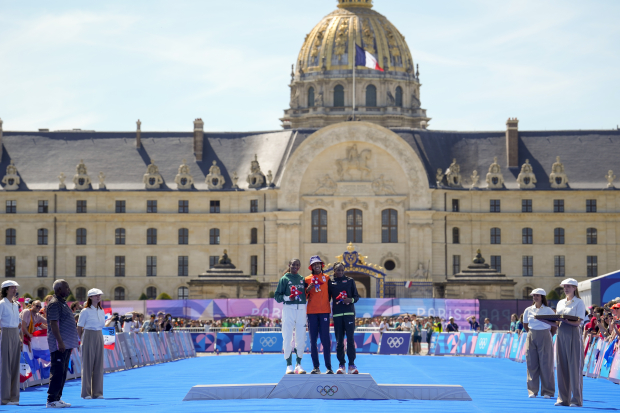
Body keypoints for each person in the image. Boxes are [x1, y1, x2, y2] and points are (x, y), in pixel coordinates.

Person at [47, 279, 80, 408]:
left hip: (66, 344)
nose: (69, 290)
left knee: (62, 372)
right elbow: (53, 324)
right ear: (59, 289)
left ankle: (57, 398)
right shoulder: (54, 303)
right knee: (57, 372)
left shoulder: (63, 303)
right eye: (66, 288)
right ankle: (51, 400)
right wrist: (60, 342)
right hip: (59, 345)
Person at [554, 278, 586, 407]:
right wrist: (546, 321)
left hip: (573, 333)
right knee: (561, 366)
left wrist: (565, 321)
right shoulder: (560, 303)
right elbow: (557, 320)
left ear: (575, 288)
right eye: (564, 286)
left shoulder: (579, 303)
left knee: (574, 367)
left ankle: (576, 399)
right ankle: (563, 399)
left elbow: (578, 322)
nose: (566, 288)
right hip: (560, 333)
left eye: (569, 286)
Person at [77, 288, 112, 400]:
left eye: (99, 295)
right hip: (88, 334)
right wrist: (82, 339)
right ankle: (86, 393)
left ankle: (97, 393)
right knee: (87, 364)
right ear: (90, 297)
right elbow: (79, 326)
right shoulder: (85, 311)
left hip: (99, 334)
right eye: (96, 295)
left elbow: (102, 325)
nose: (98, 297)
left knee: (98, 364)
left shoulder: (101, 311)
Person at [274, 258, 307, 374]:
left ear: (299, 267)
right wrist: (288, 298)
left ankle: (299, 364)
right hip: (289, 309)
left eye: (297, 265)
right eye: (293, 264)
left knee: (301, 338)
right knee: (287, 337)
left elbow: (306, 294)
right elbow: (277, 296)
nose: (295, 266)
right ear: (289, 265)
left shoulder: (302, 279)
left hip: (301, 310)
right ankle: (289, 365)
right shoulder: (284, 279)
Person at [522, 288, 556, 399]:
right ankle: (532, 391)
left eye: (538, 295)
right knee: (531, 363)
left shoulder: (549, 310)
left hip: (545, 335)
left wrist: (548, 335)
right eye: (534, 295)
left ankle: (548, 391)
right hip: (531, 335)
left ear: (542, 297)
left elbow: (554, 326)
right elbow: (525, 324)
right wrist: (532, 333)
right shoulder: (528, 310)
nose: (535, 297)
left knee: (546, 364)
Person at [328, 262, 360, 374]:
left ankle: (352, 365)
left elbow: (356, 297)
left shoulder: (350, 281)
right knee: (339, 342)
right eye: (338, 270)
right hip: (337, 315)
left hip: (349, 314)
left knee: (350, 340)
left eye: (342, 270)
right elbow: (326, 298)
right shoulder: (330, 282)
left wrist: (349, 300)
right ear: (334, 271)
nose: (340, 272)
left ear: (344, 270)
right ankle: (341, 365)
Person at [304, 255, 333, 374]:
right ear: (311, 267)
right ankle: (316, 367)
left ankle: (329, 367)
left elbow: (330, 294)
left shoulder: (327, 278)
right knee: (313, 341)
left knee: (325, 341)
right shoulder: (307, 279)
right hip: (312, 313)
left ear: (321, 265)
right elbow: (304, 296)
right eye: (314, 264)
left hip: (324, 312)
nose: (316, 266)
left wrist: (325, 304)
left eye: (318, 264)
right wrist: (308, 289)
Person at [0, 280, 22, 405]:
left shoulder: (15, 304)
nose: (15, 289)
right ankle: (4, 398)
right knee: (6, 367)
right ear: (6, 289)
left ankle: (14, 397)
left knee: (15, 366)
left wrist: (19, 336)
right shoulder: (2, 304)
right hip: (6, 333)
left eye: (15, 287)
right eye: (12, 287)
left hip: (15, 333)